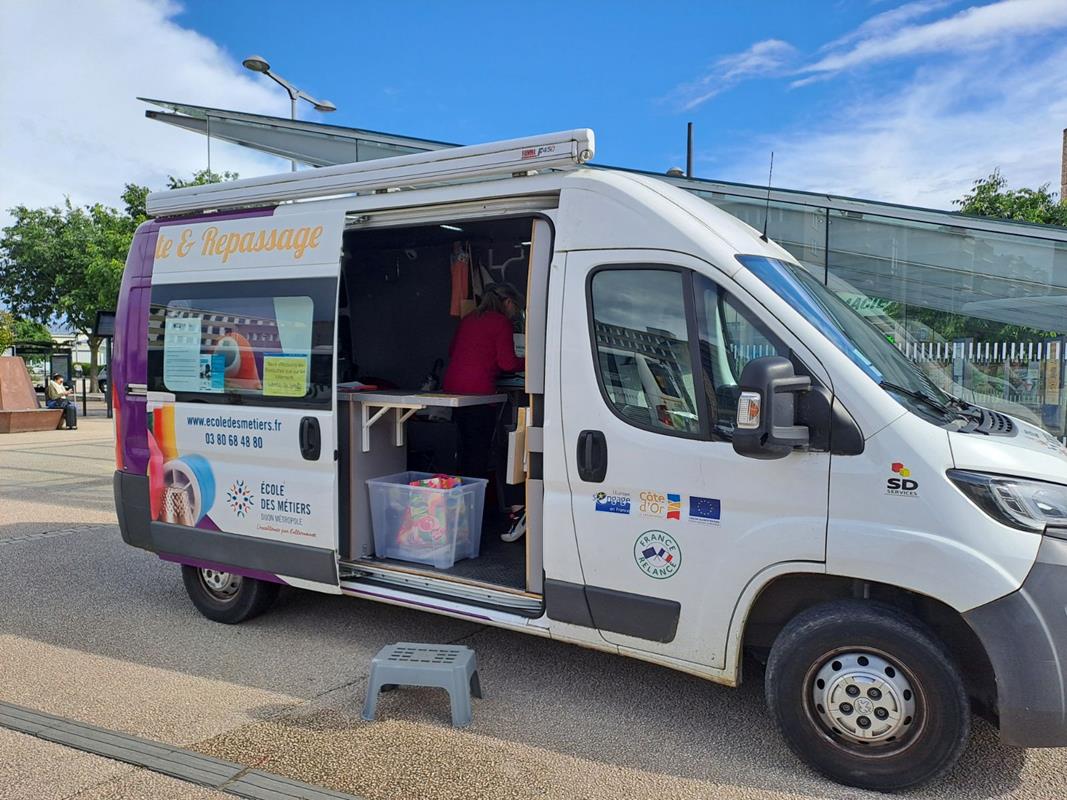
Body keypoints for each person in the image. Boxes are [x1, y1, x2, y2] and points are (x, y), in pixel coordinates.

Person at [443, 283, 526, 540]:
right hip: (480, 395)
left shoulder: (469, 319)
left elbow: (453, 352)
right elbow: (508, 363)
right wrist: (532, 359)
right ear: (509, 303)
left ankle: (457, 516)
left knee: (465, 453)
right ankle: (470, 524)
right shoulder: (500, 322)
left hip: (456, 393)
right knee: (481, 457)